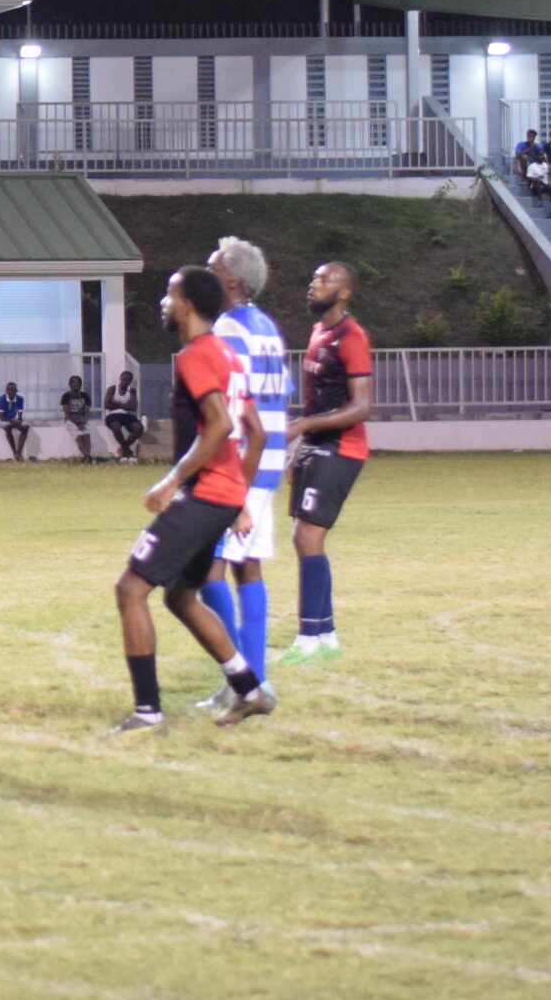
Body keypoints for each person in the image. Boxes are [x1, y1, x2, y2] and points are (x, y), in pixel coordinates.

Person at [107, 267, 273, 734]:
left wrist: (172, 479)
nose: (163, 302)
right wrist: (237, 498)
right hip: (219, 497)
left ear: (188, 304)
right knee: (180, 597)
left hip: (201, 496)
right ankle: (250, 689)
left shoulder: (196, 355)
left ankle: (147, 712)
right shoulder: (228, 356)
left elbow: (219, 425)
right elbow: (254, 434)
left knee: (130, 589)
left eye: (169, 293)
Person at [194, 236, 289, 710]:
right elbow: (279, 396)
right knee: (246, 566)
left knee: (207, 567)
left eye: (212, 267)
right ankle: (256, 680)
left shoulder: (229, 329)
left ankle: (241, 679)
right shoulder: (267, 327)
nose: (205, 274)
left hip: (242, 466)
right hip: (269, 464)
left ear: (231, 279)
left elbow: (230, 408)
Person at [282, 262, 373, 665]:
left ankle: (309, 638)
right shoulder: (319, 332)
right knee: (306, 539)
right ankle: (326, 634)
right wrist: (300, 446)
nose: (313, 283)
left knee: (307, 538)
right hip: (316, 446)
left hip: (342, 448)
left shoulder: (352, 338)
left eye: (324, 279)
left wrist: (303, 426)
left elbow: (362, 406)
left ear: (345, 293)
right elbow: (318, 398)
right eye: (313, 277)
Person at [101, 370, 144, 462]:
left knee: (139, 428)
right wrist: (124, 405)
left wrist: (116, 403)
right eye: (124, 379)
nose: (125, 382)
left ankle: (124, 448)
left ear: (130, 381)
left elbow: (133, 407)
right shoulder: (112, 389)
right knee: (116, 427)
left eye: (128, 380)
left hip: (126, 415)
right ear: (120, 378)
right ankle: (126, 450)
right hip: (112, 415)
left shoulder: (132, 391)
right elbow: (106, 404)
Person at [59, 374, 96, 461]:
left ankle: (87, 456)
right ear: (69, 385)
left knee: (86, 436)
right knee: (79, 437)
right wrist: (77, 423)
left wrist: (82, 422)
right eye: (73, 382)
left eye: (77, 382)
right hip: (71, 420)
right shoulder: (66, 396)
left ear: (80, 384)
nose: (75, 384)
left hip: (83, 420)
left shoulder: (85, 396)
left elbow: (87, 412)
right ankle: (86, 456)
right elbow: (67, 414)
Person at [0, 382, 30, 461]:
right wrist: (12, 421)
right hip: (3, 419)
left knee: (25, 428)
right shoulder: (1, 398)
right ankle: (15, 452)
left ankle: (19, 453)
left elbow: (20, 416)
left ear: (16, 391)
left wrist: (18, 421)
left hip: (13, 419)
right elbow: (1, 417)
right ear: (6, 391)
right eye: (9, 390)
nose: (11, 392)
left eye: (13, 390)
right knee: (8, 428)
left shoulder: (20, 399)